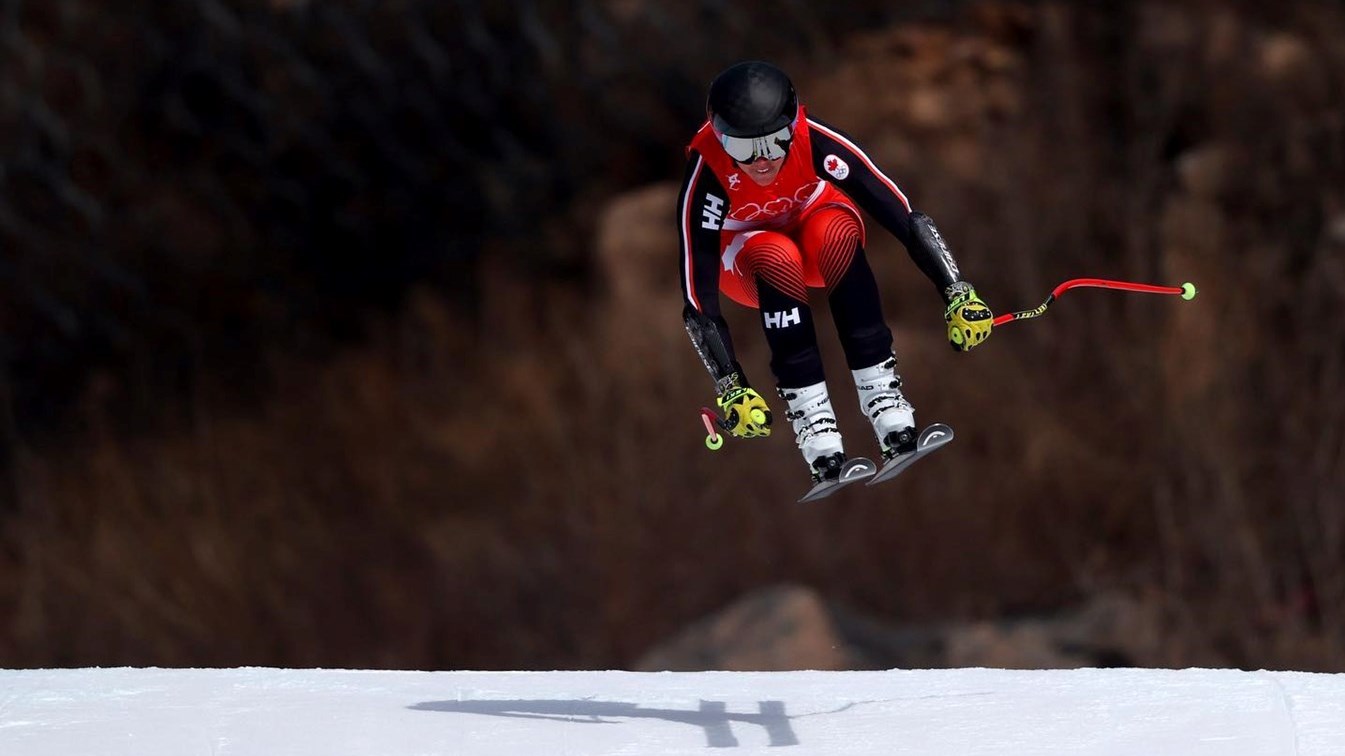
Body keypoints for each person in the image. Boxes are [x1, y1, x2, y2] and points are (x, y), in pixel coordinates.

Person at [678, 60, 994, 486]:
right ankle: (815, 427)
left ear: (793, 125)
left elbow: (899, 211)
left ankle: (886, 402)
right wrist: (730, 382)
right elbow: (697, 287)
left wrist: (956, 290)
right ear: (720, 139)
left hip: (815, 234)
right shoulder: (708, 173)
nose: (763, 160)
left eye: (775, 142)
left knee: (835, 231)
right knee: (775, 253)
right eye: (743, 149)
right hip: (748, 258)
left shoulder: (815, 141)